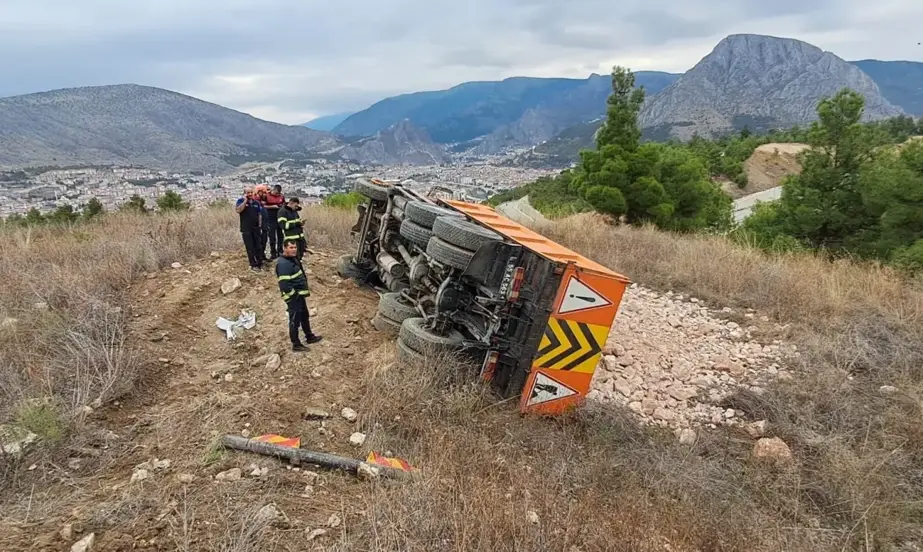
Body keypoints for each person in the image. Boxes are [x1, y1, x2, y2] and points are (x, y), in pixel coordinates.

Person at [276, 239, 322, 351]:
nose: (294, 250)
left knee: (304, 316)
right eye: (291, 247)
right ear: (285, 248)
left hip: (299, 295)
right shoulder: (283, 264)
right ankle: (296, 344)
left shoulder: (292, 260)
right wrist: (294, 295)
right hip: (293, 297)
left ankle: (309, 336)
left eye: (295, 247)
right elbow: (284, 285)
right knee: (295, 320)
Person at [235, 186, 263, 271]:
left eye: (251, 192)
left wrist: (260, 226)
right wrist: (245, 201)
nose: (250, 194)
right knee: (250, 247)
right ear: (245, 194)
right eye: (248, 193)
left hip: (256, 228)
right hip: (246, 228)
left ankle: (259, 262)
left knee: (258, 246)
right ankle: (253, 264)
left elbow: (259, 214)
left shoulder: (256, 202)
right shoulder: (240, 201)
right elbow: (238, 210)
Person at [261, 184, 285, 259]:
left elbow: (284, 205)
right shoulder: (266, 196)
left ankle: (280, 251)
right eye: (276, 193)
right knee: (272, 237)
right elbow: (262, 206)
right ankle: (273, 253)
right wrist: (272, 206)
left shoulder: (281, 196)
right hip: (270, 218)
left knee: (280, 236)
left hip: (279, 218)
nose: (277, 194)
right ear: (273, 190)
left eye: (278, 193)